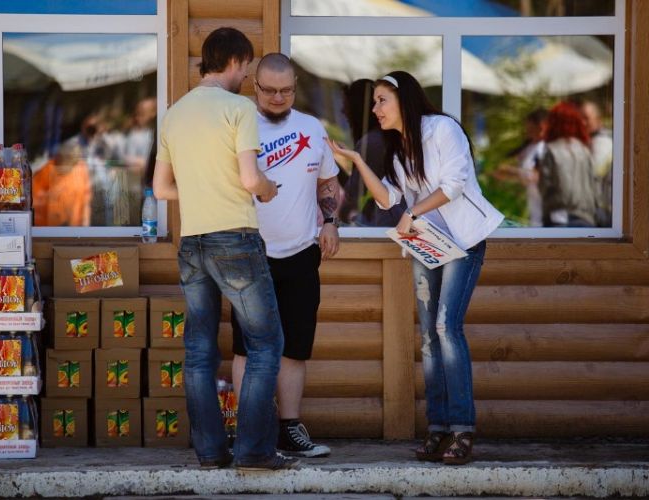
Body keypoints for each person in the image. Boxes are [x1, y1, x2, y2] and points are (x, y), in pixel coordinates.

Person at [327, 71, 503, 465]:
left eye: (382, 101)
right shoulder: (398, 150)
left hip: (463, 243)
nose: (375, 109)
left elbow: (454, 184)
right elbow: (388, 198)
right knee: (428, 337)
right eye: (374, 102)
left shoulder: (442, 129)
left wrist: (413, 212)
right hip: (430, 246)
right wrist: (357, 161)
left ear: (403, 99)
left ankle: (462, 429)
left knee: (445, 328)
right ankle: (438, 428)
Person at [152, 27, 297, 471]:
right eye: (247, 67)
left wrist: (202, 187)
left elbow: (161, 188)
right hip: (235, 238)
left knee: (199, 351)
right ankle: (253, 450)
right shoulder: (239, 108)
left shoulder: (174, 114)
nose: (246, 75)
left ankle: (211, 453)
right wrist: (268, 189)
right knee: (266, 344)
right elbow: (251, 179)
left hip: (192, 242)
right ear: (235, 61)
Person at [230, 53, 339, 459]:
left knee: (295, 346)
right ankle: (249, 430)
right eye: (270, 90)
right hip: (248, 253)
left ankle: (289, 429)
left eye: (286, 91)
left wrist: (331, 221)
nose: (278, 98)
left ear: (296, 87)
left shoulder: (312, 127)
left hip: (301, 253)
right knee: (246, 347)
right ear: (254, 86)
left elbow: (327, 181)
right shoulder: (238, 125)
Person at [339, 79, 405, 226]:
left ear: (358, 109)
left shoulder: (372, 142)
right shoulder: (388, 138)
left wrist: (329, 162)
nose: (343, 111)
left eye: (347, 106)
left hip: (388, 226)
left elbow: (354, 193)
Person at [538, 102, 597, 227]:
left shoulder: (551, 150)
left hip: (558, 218)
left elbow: (544, 186)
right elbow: (593, 184)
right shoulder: (585, 151)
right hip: (586, 218)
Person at [32, 141, 92, 226]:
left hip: (74, 226)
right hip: (50, 228)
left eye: (70, 159)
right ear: (58, 157)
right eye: (64, 158)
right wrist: (49, 196)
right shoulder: (47, 170)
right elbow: (35, 198)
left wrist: (85, 221)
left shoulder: (81, 169)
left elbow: (86, 197)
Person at [580, 100, 613, 227]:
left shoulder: (603, 141)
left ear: (598, 119)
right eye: (580, 118)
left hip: (604, 214)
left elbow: (594, 171)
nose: (582, 122)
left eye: (586, 118)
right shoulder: (590, 140)